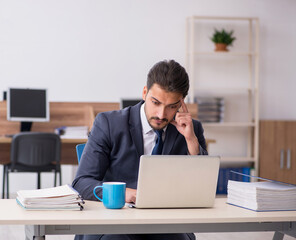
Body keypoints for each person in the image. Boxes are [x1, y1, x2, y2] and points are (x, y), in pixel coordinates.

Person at [72, 60, 207, 240]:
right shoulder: (109, 123)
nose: (161, 114)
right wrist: (123, 193)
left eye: (171, 106)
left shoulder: (191, 130)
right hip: (114, 222)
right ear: (144, 92)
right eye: (156, 102)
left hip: (166, 223)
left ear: (182, 104)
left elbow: (203, 189)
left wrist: (191, 141)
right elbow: (81, 183)